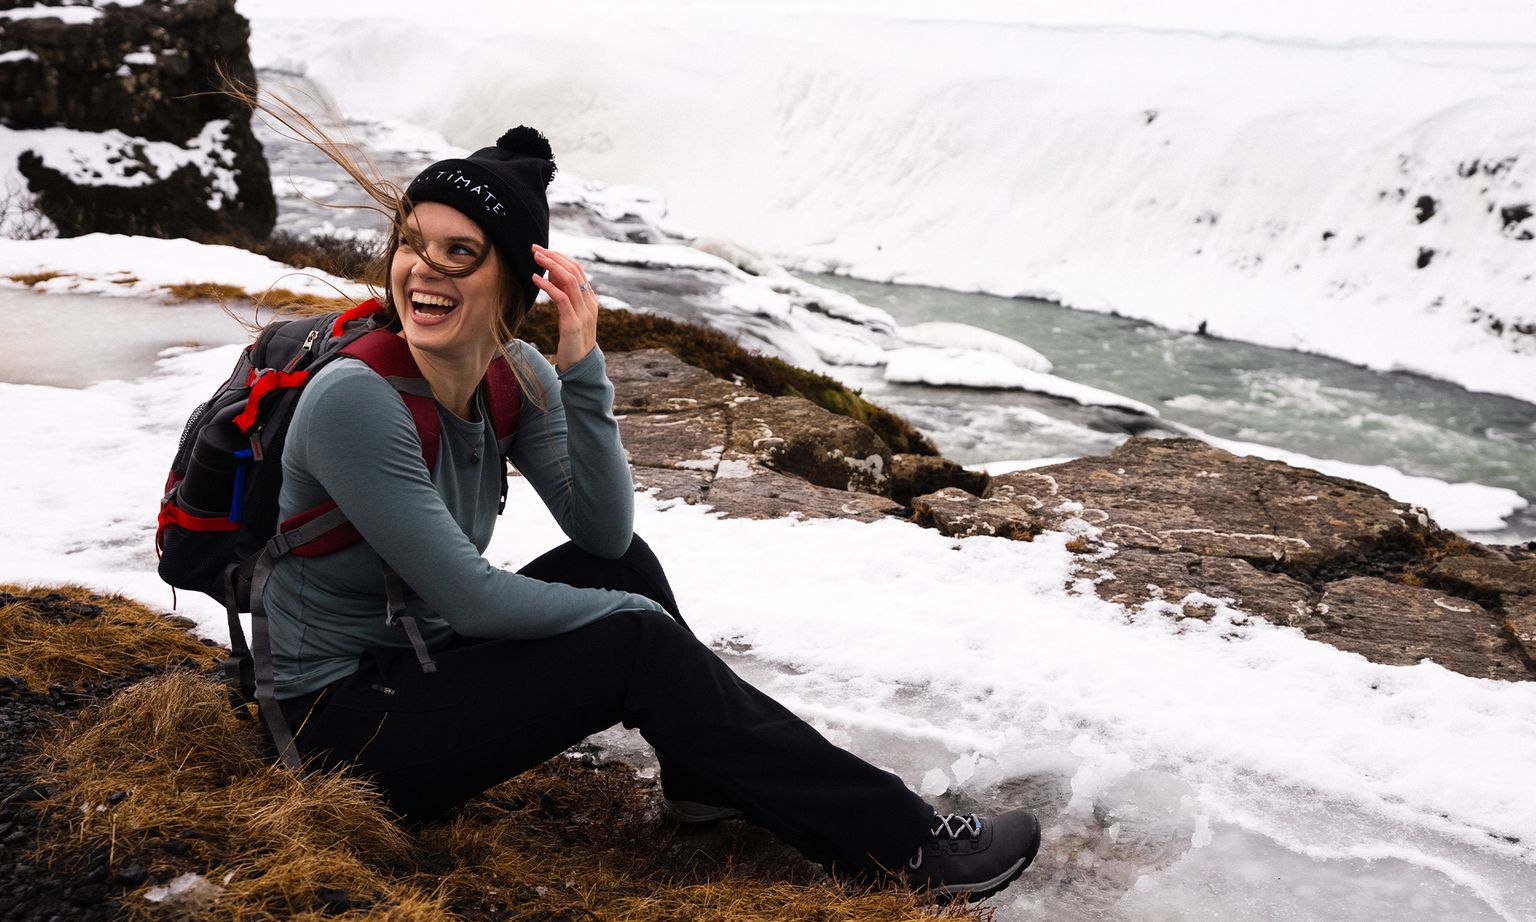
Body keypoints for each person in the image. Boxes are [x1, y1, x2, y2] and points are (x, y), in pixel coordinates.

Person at [262, 124, 1041, 901]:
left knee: (621, 569)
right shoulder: (355, 400)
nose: (420, 271)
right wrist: (634, 629)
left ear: (513, 281)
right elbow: (471, 597)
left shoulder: (513, 372)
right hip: (343, 728)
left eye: (457, 252)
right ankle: (903, 846)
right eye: (410, 242)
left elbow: (601, 532)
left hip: (420, 664)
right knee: (633, 632)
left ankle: (703, 779)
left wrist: (583, 369)